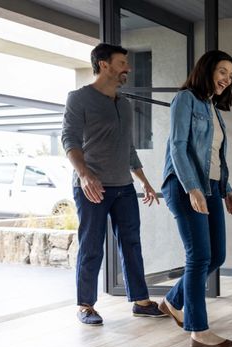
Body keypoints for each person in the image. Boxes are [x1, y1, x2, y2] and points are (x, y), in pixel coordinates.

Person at [62, 43, 167, 325]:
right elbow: (69, 141)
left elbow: (128, 147)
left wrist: (143, 181)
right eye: (122, 63)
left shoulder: (125, 104)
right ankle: (85, 305)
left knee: (131, 243)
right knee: (92, 245)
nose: (128, 69)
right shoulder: (79, 98)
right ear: (104, 64)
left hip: (123, 187)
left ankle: (141, 301)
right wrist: (85, 175)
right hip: (92, 187)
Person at [158, 50, 232, 347]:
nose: (226, 79)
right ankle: (198, 329)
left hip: (211, 186)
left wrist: (226, 190)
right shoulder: (186, 100)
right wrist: (191, 188)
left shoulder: (212, 109)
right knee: (199, 256)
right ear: (207, 70)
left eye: (230, 75)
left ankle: (172, 301)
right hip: (183, 185)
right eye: (222, 71)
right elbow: (178, 147)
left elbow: (214, 157)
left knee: (216, 255)